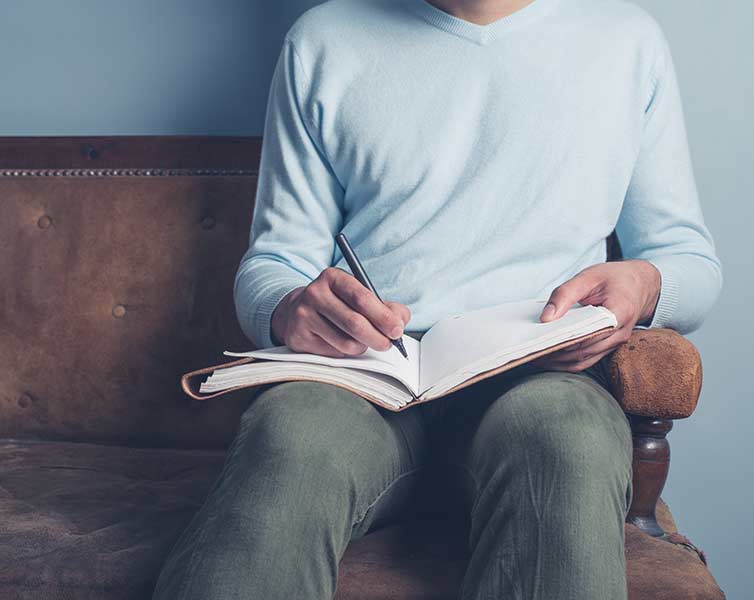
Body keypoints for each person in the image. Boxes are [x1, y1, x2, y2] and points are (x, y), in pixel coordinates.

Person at [153, 0, 722, 598]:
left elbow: (691, 263)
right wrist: (289, 306)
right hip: (368, 374)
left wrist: (643, 283)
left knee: (569, 439)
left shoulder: (627, 41)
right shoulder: (322, 40)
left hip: (539, 376)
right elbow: (274, 262)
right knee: (288, 436)